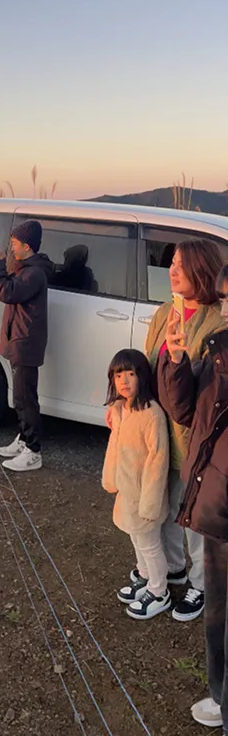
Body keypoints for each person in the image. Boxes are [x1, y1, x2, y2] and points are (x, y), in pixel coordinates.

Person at [153, 259, 228, 728]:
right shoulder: (218, 350)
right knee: (219, 613)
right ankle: (221, 698)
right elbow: (184, 410)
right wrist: (178, 361)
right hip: (219, 499)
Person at [143, 238, 226, 623]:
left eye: (181, 264)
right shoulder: (165, 313)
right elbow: (145, 365)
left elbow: (203, 398)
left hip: (194, 437)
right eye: (171, 263)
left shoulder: (217, 323)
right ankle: (173, 567)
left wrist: (177, 358)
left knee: (193, 512)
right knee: (164, 506)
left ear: (202, 270)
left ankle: (201, 583)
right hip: (159, 431)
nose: (172, 270)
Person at [107, 349, 173, 619]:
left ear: (142, 376)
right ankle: (145, 577)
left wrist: (150, 502)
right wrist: (111, 479)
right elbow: (115, 448)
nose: (124, 381)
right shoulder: (121, 409)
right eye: (118, 375)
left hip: (146, 497)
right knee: (137, 540)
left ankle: (159, 591)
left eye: (131, 374)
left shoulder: (152, 415)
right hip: (128, 493)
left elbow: (158, 461)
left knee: (149, 544)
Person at [0, 220, 51, 471]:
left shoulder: (33, 273)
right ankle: (24, 438)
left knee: (26, 399)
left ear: (27, 246)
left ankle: (33, 451)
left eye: (15, 244)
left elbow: (6, 292)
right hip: (20, 339)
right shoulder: (27, 268)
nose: (12, 248)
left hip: (25, 342)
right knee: (21, 396)